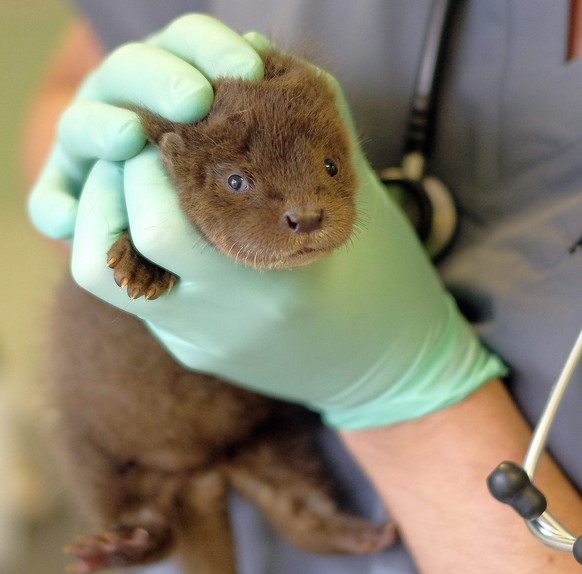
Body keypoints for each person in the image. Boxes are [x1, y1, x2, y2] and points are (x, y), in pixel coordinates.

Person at [24, 1, 582, 573]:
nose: (306, 210)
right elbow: (70, 78)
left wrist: (412, 400)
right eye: (240, 182)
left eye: (330, 172)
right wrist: (101, 198)